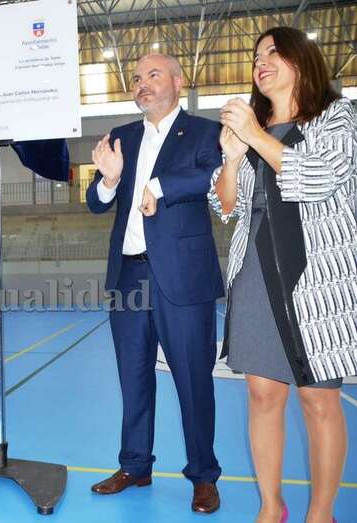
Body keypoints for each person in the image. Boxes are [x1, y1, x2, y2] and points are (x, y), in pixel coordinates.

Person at [211, 26, 356, 523]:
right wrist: (232, 158)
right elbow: (226, 206)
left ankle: (321, 512)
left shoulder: (337, 117)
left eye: (272, 52)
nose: (260, 61)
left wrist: (253, 135)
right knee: (261, 394)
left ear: (302, 60)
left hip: (316, 280)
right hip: (254, 273)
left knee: (319, 401)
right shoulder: (256, 128)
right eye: (255, 56)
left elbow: (317, 178)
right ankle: (271, 507)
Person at [86, 54, 224, 513]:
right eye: (136, 78)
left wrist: (159, 187)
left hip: (183, 278)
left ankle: (203, 476)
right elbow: (96, 201)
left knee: (193, 380)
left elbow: (214, 175)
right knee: (134, 379)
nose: (141, 84)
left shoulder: (204, 132)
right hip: (129, 276)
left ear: (179, 82)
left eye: (153, 75)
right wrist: (108, 180)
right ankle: (135, 465)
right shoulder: (122, 137)